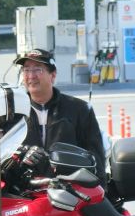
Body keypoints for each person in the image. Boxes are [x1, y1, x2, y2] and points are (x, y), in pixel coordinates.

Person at [15, 48, 107, 182]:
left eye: (37, 69)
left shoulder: (79, 109)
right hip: (26, 188)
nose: (31, 76)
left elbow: (96, 157)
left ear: (53, 75)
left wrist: (99, 187)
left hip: (68, 188)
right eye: (26, 70)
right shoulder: (15, 112)